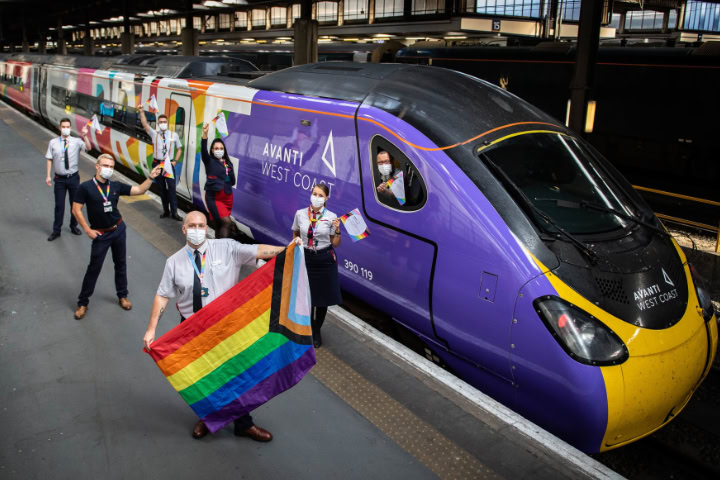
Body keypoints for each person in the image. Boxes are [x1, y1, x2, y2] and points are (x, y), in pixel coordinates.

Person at [143, 211, 301, 441]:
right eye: (192, 226)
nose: (197, 230)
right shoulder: (174, 263)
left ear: (207, 228)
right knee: (204, 378)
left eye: (201, 225)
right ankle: (209, 419)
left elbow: (258, 251)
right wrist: (151, 329)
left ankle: (244, 424)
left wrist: (288, 249)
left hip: (226, 325)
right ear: (184, 229)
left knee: (235, 373)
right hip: (192, 328)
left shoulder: (227, 248)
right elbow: (162, 296)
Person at [72, 154, 162, 320]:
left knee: (121, 264)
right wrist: (87, 230)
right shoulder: (85, 187)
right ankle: (83, 302)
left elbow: (139, 190)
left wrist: (150, 177)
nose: (108, 169)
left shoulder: (115, 186)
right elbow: (76, 210)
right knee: (94, 268)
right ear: (97, 166)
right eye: (105, 165)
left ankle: (122, 295)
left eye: (111, 167)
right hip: (101, 234)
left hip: (118, 230)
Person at [291, 184, 342, 348]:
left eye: (321, 195)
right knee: (304, 297)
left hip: (325, 259)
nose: (317, 197)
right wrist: (296, 243)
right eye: (314, 194)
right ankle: (306, 328)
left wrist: (338, 230)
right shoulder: (300, 214)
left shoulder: (332, 217)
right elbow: (296, 233)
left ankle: (316, 330)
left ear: (327, 198)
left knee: (322, 300)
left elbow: (336, 243)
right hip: (306, 257)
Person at [45, 118, 92, 241]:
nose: (65, 128)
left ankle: (73, 226)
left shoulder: (77, 141)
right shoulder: (53, 142)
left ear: (70, 128)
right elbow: (49, 159)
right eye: (63, 126)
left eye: (68, 126)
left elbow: (89, 148)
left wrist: (85, 136)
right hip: (59, 179)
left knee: (75, 205)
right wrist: (48, 175)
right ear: (60, 128)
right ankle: (56, 230)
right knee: (59, 206)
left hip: (73, 178)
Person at [138, 104, 183, 221]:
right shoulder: (154, 134)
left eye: (164, 121)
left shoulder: (175, 135)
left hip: (168, 164)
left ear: (167, 123)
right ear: (158, 124)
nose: (163, 123)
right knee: (162, 189)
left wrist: (175, 161)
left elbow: (179, 149)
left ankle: (175, 213)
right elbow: (145, 124)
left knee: (172, 189)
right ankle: (166, 211)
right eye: (161, 122)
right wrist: (142, 112)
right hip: (157, 163)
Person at [201, 123, 236, 239]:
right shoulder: (209, 161)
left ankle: (216, 248)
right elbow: (203, 150)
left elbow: (233, 181)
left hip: (227, 198)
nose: (219, 150)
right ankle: (223, 250)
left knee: (219, 225)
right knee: (227, 223)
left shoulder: (228, 163)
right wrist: (204, 134)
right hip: (214, 198)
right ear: (212, 150)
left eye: (221, 148)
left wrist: (229, 171)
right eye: (216, 148)